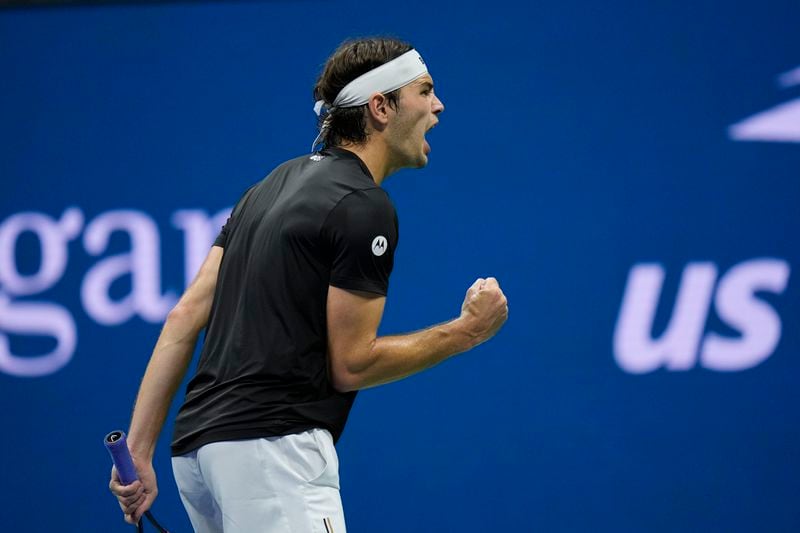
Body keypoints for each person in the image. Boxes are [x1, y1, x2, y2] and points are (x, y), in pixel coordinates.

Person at [109, 37, 508, 533]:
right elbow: (351, 363)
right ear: (381, 108)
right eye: (424, 91)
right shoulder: (364, 205)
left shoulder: (267, 186)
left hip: (196, 454)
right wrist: (466, 332)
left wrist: (140, 449)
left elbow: (183, 316)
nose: (438, 105)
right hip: (272, 453)